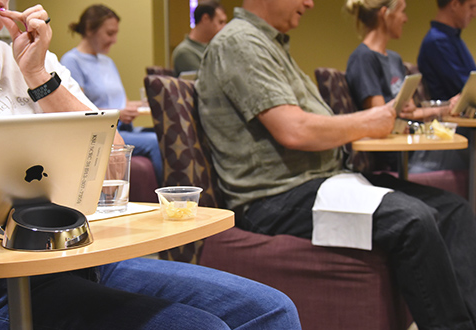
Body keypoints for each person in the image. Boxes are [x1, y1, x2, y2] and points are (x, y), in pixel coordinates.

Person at [0, 0, 302, 328]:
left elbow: (115, 165)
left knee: (269, 311)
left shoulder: (31, 58)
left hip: (78, 258)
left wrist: (39, 77)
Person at [196, 0, 476, 329]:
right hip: (276, 197)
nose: (310, 3)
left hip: (321, 181)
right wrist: (371, 121)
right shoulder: (239, 42)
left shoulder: (267, 43)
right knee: (414, 220)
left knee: (454, 209)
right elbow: (294, 129)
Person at [345, 0, 469, 174]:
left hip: (414, 145)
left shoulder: (394, 59)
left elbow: (410, 113)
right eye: (402, 11)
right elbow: (379, 119)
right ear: (385, 14)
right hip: (402, 155)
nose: (405, 19)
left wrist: (446, 107)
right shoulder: (363, 59)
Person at [60, 4, 163, 185]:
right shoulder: (72, 61)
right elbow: (76, 109)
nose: (114, 39)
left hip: (124, 128)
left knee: (163, 133)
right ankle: (170, 197)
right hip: (103, 133)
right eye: (109, 33)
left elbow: (122, 101)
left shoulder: (108, 62)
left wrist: (139, 105)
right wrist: (118, 113)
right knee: (155, 141)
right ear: (90, 30)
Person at [418, 0, 476, 101]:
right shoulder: (438, 41)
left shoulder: (453, 38)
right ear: (454, 5)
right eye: (471, 7)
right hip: (448, 115)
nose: (474, 13)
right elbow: (468, 90)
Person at [171, 0, 227, 77]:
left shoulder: (214, 47)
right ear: (205, 19)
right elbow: (205, 83)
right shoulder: (184, 52)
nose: (224, 27)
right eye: (220, 22)